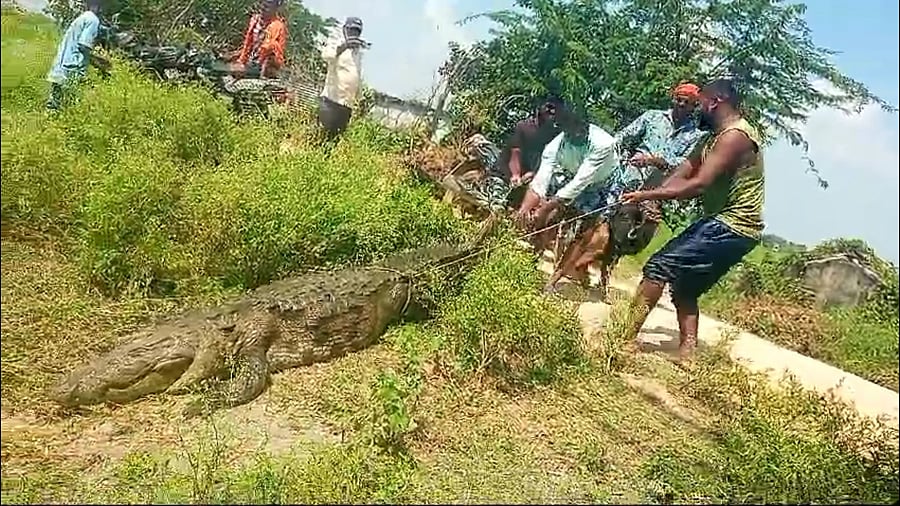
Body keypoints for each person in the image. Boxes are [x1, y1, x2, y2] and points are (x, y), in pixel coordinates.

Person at [619, 78, 764, 364]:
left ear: (715, 102)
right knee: (685, 287)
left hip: (734, 224)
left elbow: (697, 185)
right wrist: (651, 199)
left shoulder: (736, 136)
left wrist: (647, 194)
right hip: (727, 224)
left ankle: (622, 338)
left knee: (658, 266)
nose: (697, 110)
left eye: (700, 104)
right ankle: (687, 355)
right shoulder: (709, 139)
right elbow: (682, 172)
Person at [544, 82, 707, 296]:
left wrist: (654, 160)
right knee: (593, 230)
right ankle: (556, 279)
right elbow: (621, 138)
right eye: (679, 99)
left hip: (655, 193)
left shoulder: (695, 136)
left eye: (687, 103)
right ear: (673, 98)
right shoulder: (652, 117)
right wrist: (613, 159)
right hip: (626, 182)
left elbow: (684, 164)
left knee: (629, 240)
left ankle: (600, 276)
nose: (681, 105)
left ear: (694, 106)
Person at [515, 104, 620, 255]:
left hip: (600, 183)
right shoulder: (555, 146)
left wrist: (546, 208)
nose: (576, 131)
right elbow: (541, 179)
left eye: (579, 126)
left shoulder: (603, 143)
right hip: (571, 174)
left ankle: (575, 260)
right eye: (570, 127)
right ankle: (534, 250)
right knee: (546, 216)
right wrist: (525, 209)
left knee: (585, 227)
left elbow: (581, 180)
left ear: (586, 125)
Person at [45, 0, 110, 111]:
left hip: (60, 68)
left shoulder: (81, 18)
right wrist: (100, 63)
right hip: (72, 70)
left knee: (54, 108)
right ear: (100, 6)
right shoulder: (93, 20)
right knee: (71, 108)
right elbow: (84, 45)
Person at [319, 17, 367, 139]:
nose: (354, 34)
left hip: (346, 105)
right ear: (345, 29)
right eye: (351, 30)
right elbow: (326, 56)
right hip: (331, 101)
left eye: (357, 31)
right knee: (322, 138)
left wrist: (359, 98)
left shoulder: (357, 51)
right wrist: (344, 46)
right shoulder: (336, 43)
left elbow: (357, 75)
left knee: (336, 140)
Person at [233, 0, 288, 79]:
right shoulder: (255, 20)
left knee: (272, 45)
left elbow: (273, 50)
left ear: (275, 8)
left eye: (268, 6)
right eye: (263, 5)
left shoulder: (278, 26)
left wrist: (257, 63)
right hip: (252, 60)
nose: (264, 8)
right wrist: (241, 61)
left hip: (267, 65)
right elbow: (248, 44)